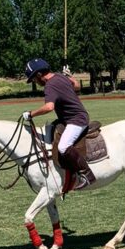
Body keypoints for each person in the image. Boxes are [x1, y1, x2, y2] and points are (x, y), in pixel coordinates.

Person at [22, 58, 95, 190]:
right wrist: (69, 77)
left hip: (76, 120)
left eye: (33, 78)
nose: (34, 81)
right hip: (69, 118)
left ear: (39, 74)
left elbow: (49, 107)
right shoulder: (60, 77)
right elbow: (77, 86)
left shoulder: (50, 85)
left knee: (63, 147)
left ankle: (87, 174)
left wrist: (31, 113)